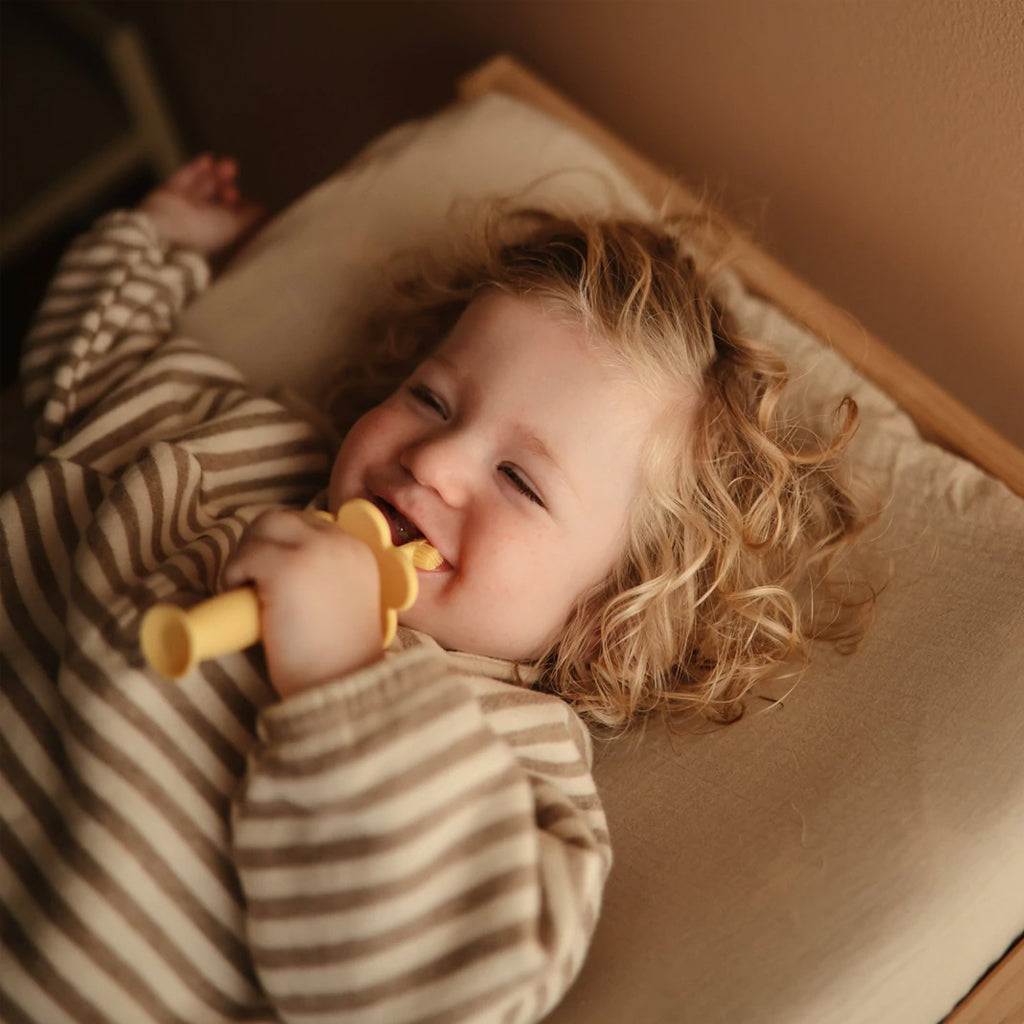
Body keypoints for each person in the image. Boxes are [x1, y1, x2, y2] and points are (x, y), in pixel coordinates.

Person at [1, 155, 870, 1023]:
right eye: (431, 399)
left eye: (521, 482)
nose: (435, 460)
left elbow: (442, 984)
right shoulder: (238, 444)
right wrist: (154, 240)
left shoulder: (515, 757)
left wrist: (343, 673)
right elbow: (88, 374)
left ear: (608, 620)